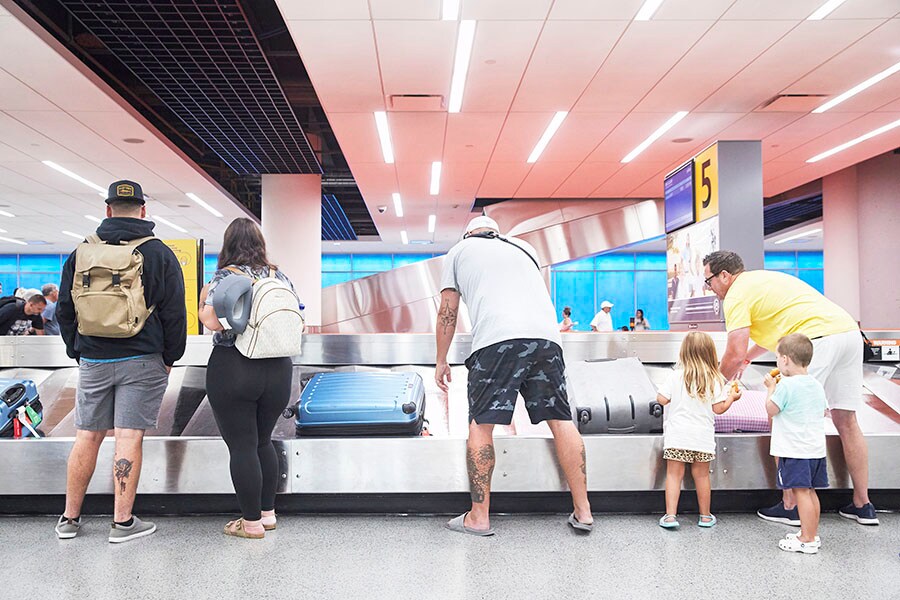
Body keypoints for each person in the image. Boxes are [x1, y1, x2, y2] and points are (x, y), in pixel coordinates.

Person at [435, 215, 593, 536]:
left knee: (481, 425)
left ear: (469, 234)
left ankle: (479, 517)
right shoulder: (525, 249)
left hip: (496, 340)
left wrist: (441, 359)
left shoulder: (459, 251)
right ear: (496, 231)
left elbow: (447, 312)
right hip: (547, 340)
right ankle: (584, 511)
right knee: (562, 421)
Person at [702, 250, 877, 526]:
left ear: (724, 275)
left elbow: (732, 353)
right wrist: (750, 355)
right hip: (848, 334)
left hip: (816, 340)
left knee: (785, 415)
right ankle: (862, 504)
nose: (709, 288)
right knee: (847, 419)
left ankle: (791, 505)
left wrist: (711, 389)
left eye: (709, 281)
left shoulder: (735, 295)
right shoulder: (762, 280)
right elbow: (776, 327)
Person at [55, 180, 186, 543]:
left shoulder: (82, 251)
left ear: (108, 210)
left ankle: (69, 519)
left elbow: (65, 310)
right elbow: (176, 313)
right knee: (128, 437)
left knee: (86, 436)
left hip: (94, 359)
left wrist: (78, 350)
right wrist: (170, 358)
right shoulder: (159, 252)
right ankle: (122, 523)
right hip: (143, 358)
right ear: (144, 211)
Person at [198, 218, 296, 539]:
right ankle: (267, 514)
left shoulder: (224, 277)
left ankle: (250, 523)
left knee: (242, 446)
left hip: (235, 365)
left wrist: (202, 303)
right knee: (263, 440)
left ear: (227, 245)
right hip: (278, 368)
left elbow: (213, 322)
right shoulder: (280, 277)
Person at [656, 332, 741, 529]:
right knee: (702, 476)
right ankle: (705, 516)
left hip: (677, 436)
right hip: (701, 438)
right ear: (711, 353)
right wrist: (732, 399)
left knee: (673, 475)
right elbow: (718, 409)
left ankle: (670, 516)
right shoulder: (715, 379)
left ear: (684, 353)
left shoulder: (675, 376)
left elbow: (662, 399)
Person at [764, 334, 828, 554]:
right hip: (815, 449)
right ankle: (811, 533)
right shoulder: (816, 385)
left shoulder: (786, 386)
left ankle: (806, 539)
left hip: (795, 449)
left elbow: (771, 410)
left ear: (786, 360)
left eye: (777, 358)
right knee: (810, 491)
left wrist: (771, 388)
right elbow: (823, 411)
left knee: (800, 492)